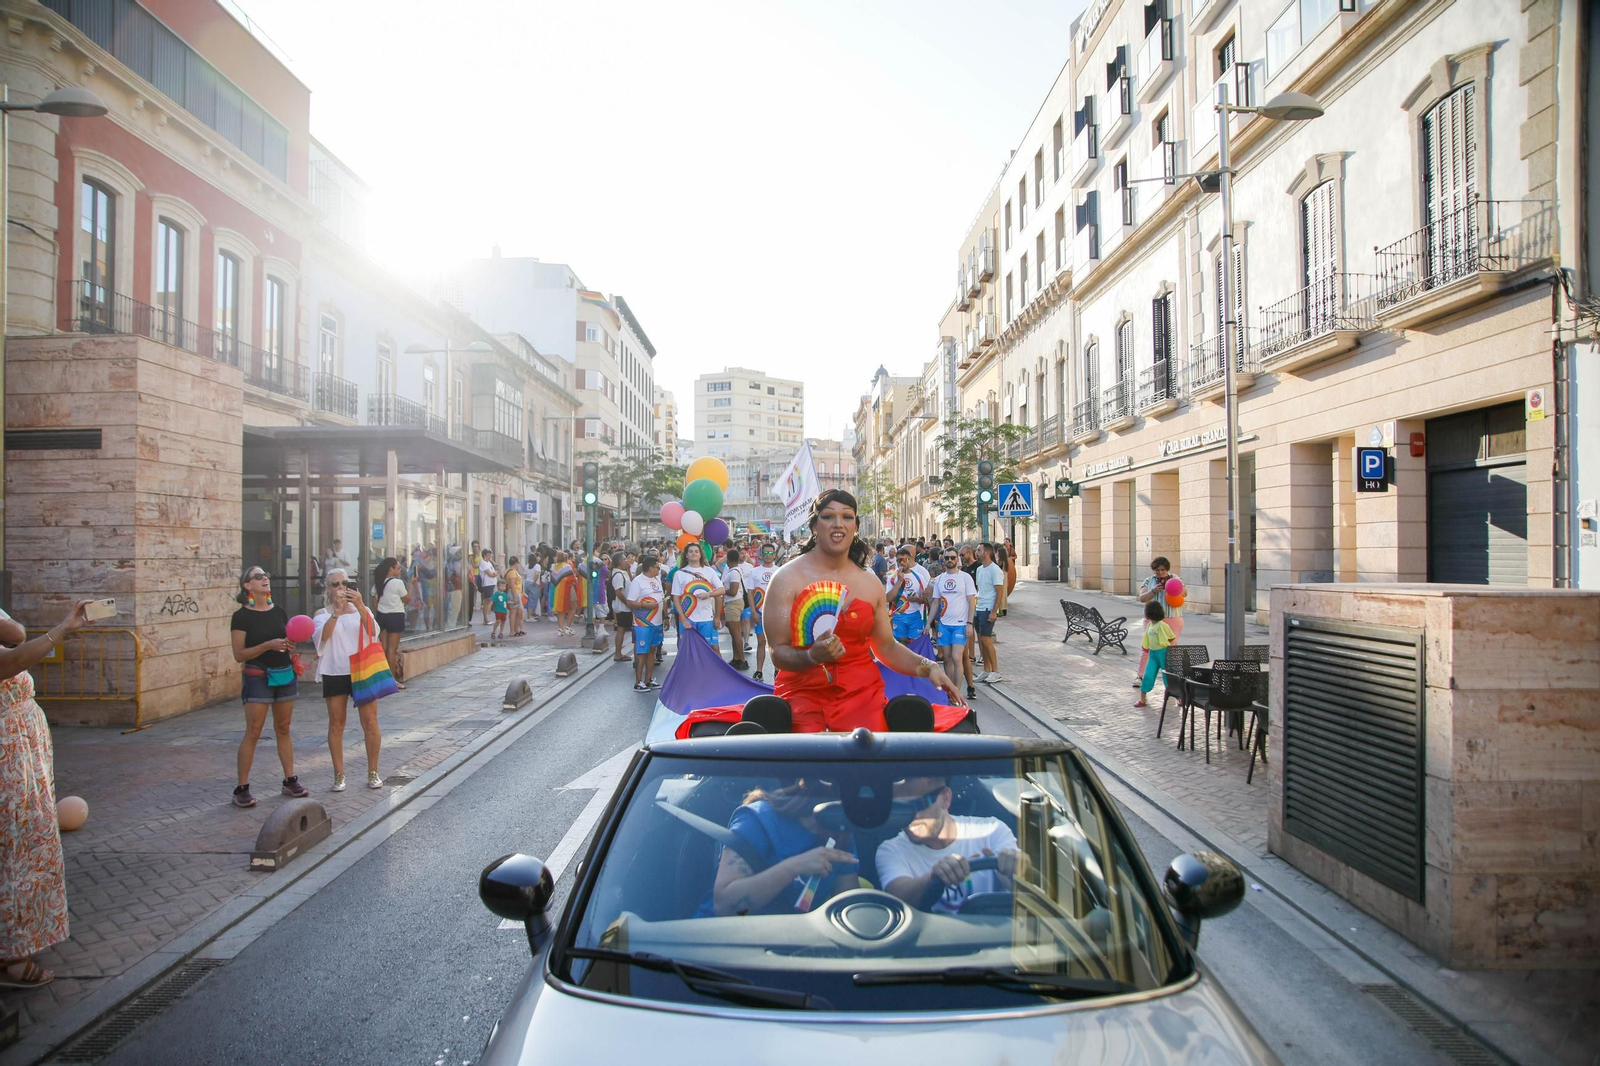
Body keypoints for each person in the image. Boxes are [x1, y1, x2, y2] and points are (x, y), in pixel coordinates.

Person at [756, 489, 964, 732]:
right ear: (814, 525)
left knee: (870, 761)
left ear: (856, 525)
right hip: (802, 698)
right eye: (828, 516)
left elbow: (885, 647)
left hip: (863, 697)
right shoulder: (786, 579)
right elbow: (777, 652)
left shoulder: (870, 582)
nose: (838, 524)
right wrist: (812, 656)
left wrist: (929, 667)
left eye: (847, 517)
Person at [1, 599, 96, 989]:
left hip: (21, 752)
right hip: (8, 759)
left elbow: (14, 634)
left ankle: (18, 944)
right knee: (15, 850)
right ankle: (11, 956)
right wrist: (63, 628)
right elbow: (11, 660)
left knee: (28, 845)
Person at [700, 780, 858, 917]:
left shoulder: (840, 833)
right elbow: (724, 906)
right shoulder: (758, 819)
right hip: (718, 939)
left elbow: (847, 910)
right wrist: (793, 867)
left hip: (789, 943)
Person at [877, 777, 1023, 913]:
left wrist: (1013, 870)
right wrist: (932, 878)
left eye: (920, 804)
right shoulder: (891, 850)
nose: (913, 816)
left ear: (945, 799)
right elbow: (898, 900)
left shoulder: (992, 831)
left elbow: (1027, 893)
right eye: (902, 808)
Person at [230, 566, 307, 806]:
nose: (265, 579)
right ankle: (241, 788)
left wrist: (289, 646)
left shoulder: (280, 611)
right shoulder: (241, 616)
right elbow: (239, 654)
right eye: (259, 576)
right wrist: (267, 645)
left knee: (283, 728)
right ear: (247, 586)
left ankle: (289, 780)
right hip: (257, 676)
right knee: (254, 731)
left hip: (284, 674)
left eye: (266, 575)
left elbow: (286, 642)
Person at [313, 569, 383, 791]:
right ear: (328, 588)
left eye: (345, 583)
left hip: (362, 669)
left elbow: (373, 632)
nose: (341, 588)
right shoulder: (322, 614)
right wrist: (338, 611)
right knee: (336, 723)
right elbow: (322, 637)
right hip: (335, 670)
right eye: (335, 584)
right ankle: (339, 774)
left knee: (370, 721)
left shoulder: (363, 610)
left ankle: (373, 772)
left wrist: (361, 606)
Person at [929, 548, 979, 701]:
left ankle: (957, 692)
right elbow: (936, 602)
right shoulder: (939, 579)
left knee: (957, 658)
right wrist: (929, 623)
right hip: (944, 624)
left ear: (957, 559)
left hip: (960, 624)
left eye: (952, 557)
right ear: (943, 560)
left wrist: (969, 623)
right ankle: (950, 692)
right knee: (948, 659)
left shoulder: (965, 578)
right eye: (947, 558)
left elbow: (972, 601)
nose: (950, 560)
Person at [671, 542, 724, 651]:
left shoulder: (709, 571)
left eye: (696, 551)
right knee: (687, 650)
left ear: (700, 554)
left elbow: (721, 590)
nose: (693, 554)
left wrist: (708, 595)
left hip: (707, 618)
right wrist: (683, 619)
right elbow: (676, 598)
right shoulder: (679, 574)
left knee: (710, 649)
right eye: (690, 552)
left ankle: (710, 669)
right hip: (688, 618)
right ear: (686, 555)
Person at [625, 555, 666, 691]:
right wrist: (645, 605)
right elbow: (630, 602)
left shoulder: (657, 579)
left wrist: (665, 616)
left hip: (656, 622)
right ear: (650, 568)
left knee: (652, 651)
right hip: (643, 623)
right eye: (657, 567)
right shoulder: (638, 582)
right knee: (641, 652)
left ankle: (648, 680)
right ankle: (638, 681)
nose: (659, 569)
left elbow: (661, 598)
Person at [372, 556, 409, 690]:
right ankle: (392, 680)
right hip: (395, 616)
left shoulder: (379, 582)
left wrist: (379, 611)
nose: (399, 570)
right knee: (392, 650)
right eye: (398, 568)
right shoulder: (398, 583)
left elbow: (374, 599)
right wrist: (411, 585)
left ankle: (383, 678)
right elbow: (407, 599)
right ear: (391, 569)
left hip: (382, 616)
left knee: (384, 649)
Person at [973, 542, 1007, 684]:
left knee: (986, 639)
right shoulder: (980, 569)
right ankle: (986, 670)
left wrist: (994, 611)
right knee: (981, 640)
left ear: (986, 552)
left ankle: (995, 671)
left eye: (979, 550)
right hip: (979, 607)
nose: (977, 552)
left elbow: (999, 592)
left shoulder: (995, 570)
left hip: (988, 609)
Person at [745, 542, 779, 681]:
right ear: (761, 554)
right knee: (761, 642)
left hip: (775, 614)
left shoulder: (779, 571)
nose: (768, 555)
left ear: (774, 555)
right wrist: (753, 612)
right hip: (759, 612)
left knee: (776, 643)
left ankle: (777, 670)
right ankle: (759, 671)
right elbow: (750, 594)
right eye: (765, 552)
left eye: (771, 553)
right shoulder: (754, 572)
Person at [886, 546, 927, 645]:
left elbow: (925, 600)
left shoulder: (919, 577)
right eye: (899, 560)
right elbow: (888, 598)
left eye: (904, 559)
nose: (902, 562)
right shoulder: (892, 578)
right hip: (898, 616)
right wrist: (900, 580)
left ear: (909, 559)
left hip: (915, 616)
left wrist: (917, 599)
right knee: (901, 646)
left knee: (915, 646)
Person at [721, 548, 748, 670]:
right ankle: (736, 658)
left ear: (728, 559)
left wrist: (722, 591)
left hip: (733, 602)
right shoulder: (733, 571)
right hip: (732, 603)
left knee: (736, 633)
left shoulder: (734, 573)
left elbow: (733, 591)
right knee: (733, 632)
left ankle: (742, 659)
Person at [609, 551, 632, 662]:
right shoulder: (617, 574)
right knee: (621, 629)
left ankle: (619, 652)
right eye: (624, 559)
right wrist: (627, 602)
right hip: (622, 607)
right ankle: (618, 653)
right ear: (619, 561)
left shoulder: (623, 572)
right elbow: (618, 592)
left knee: (623, 629)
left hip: (626, 606)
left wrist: (628, 570)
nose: (626, 561)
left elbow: (631, 582)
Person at [551, 552, 579, 635]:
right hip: (568, 589)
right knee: (573, 608)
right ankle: (568, 627)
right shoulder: (567, 567)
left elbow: (553, 580)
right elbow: (573, 579)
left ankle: (560, 629)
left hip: (557, 591)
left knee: (560, 610)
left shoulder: (553, 567)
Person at [477, 549, 499, 626]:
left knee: (490, 600)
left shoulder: (489, 563)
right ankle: (485, 619)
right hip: (487, 584)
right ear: (485, 555)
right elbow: (491, 574)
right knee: (487, 601)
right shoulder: (483, 563)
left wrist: (495, 571)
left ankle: (487, 616)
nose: (491, 556)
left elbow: (495, 571)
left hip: (492, 583)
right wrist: (495, 573)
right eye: (490, 554)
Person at [506, 558, 525, 637]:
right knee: (514, 612)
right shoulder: (512, 572)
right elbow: (512, 585)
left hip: (517, 592)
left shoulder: (512, 571)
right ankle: (512, 630)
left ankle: (516, 629)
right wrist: (515, 597)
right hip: (513, 593)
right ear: (515, 563)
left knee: (519, 612)